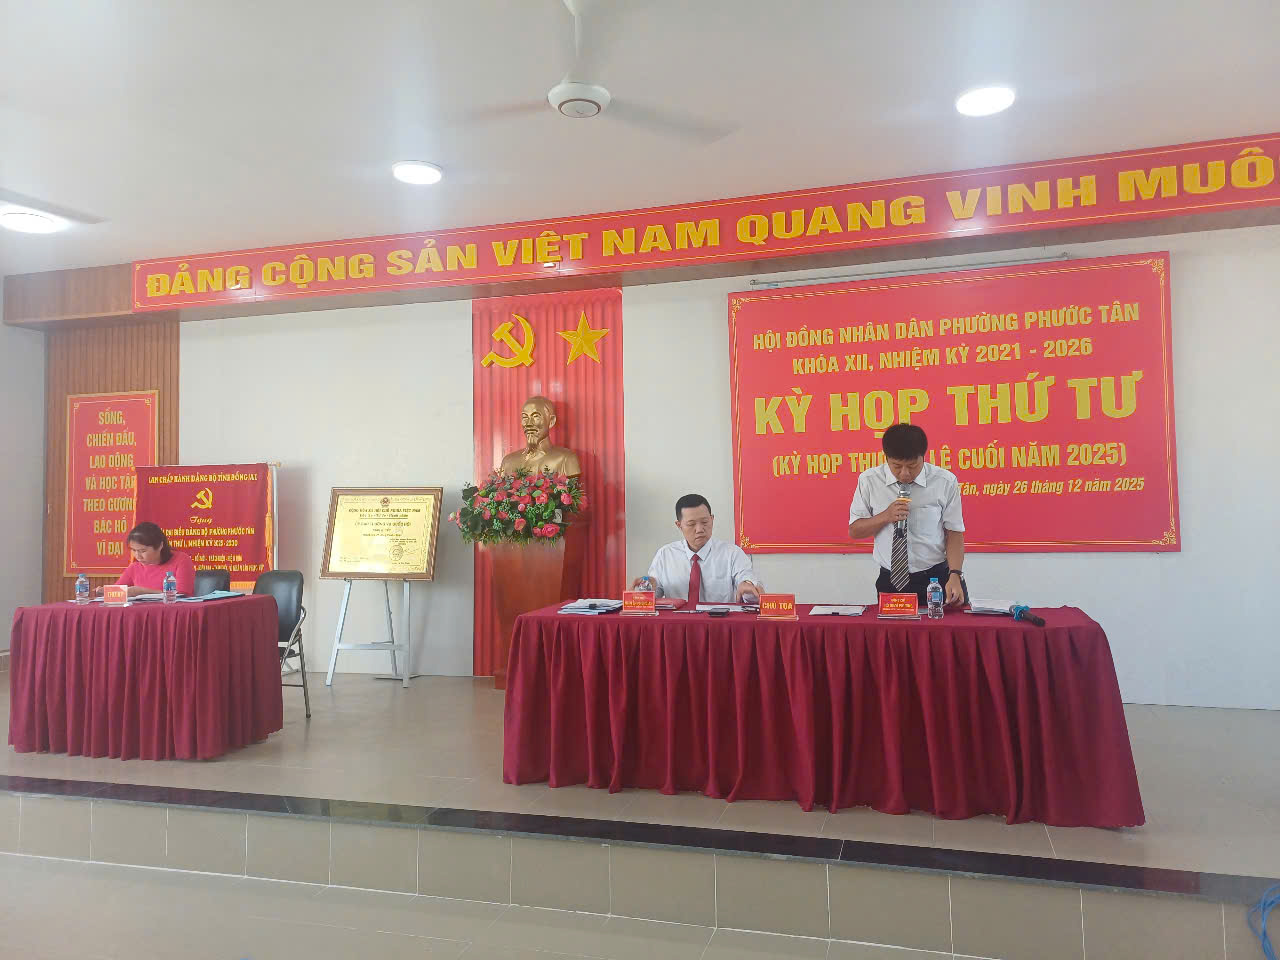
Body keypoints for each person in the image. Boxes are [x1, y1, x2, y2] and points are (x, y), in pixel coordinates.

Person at [847, 424, 965, 605]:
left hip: (936, 579)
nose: (904, 474)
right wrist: (885, 516)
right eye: (896, 466)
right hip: (891, 581)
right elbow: (855, 531)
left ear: (923, 457)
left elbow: (954, 532)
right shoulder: (869, 481)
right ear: (886, 458)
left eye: (912, 466)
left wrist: (955, 574)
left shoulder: (944, 481)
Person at [633, 494, 761, 604]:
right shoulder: (665, 554)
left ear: (712, 519)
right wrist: (647, 589)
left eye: (705, 522)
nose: (699, 529)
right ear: (679, 525)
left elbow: (748, 584)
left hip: (718, 622)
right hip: (677, 623)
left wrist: (748, 587)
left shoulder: (732, 553)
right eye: (691, 524)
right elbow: (650, 597)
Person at [96, 521, 196, 597]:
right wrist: (104, 591)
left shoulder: (181, 560)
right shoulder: (134, 567)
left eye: (142, 551)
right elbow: (115, 592)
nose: (137, 556)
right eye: (134, 550)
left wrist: (141, 592)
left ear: (160, 546)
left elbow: (182, 595)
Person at [499, 395, 582, 477]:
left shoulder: (566, 459)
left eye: (536, 417)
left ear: (551, 421)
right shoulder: (508, 462)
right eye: (525, 417)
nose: (528, 424)